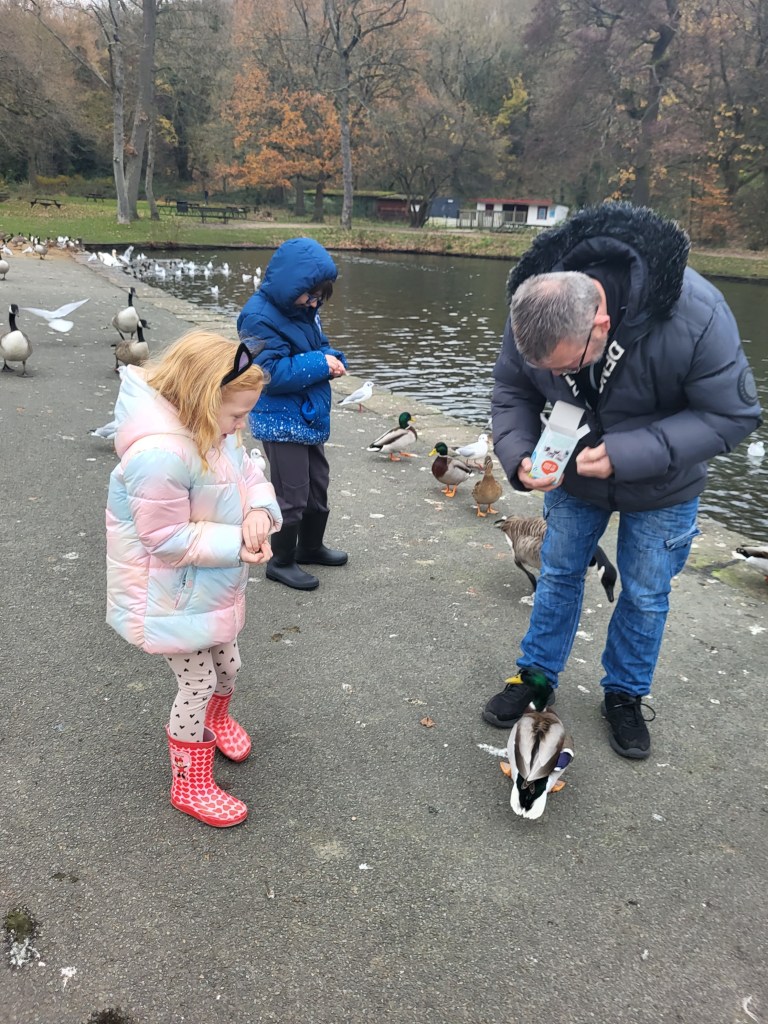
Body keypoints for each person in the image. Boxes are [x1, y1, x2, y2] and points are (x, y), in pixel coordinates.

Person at [484, 202, 762, 758]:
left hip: (664, 483)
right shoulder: (536, 303)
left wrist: (628, 453)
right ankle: (536, 675)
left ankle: (625, 693)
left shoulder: (698, 314)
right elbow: (512, 392)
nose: (557, 380)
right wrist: (518, 457)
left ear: (602, 326)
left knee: (645, 591)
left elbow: (734, 416)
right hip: (573, 481)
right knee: (559, 573)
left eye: (566, 368)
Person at [105, 330, 282, 827]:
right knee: (199, 680)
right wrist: (236, 544)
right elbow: (163, 538)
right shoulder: (159, 455)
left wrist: (261, 515)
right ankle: (190, 782)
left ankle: (217, 721)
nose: (244, 424)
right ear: (204, 399)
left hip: (206, 589)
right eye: (237, 413)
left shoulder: (218, 434)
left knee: (230, 665)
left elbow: (250, 474)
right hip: (168, 597)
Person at [237, 236, 348, 591]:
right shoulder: (256, 317)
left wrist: (333, 358)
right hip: (280, 420)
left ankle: (310, 546)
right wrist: (319, 363)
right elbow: (266, 374)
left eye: (319, 297)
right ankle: (281, 561)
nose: (315, 303)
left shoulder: (304, 311)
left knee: (318, 485)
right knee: (291, 492)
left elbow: (319, 346)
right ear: (291, 285)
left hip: (307, 415)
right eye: (311, 295)